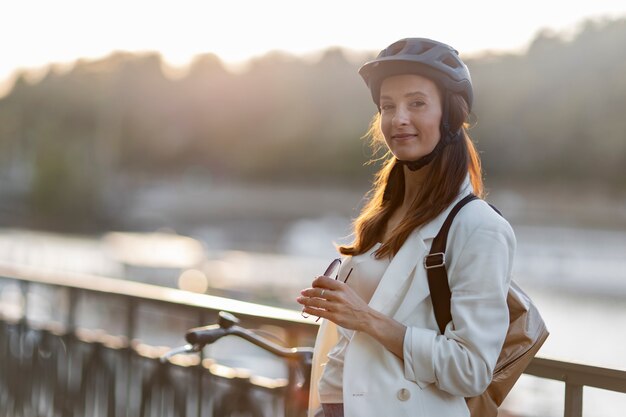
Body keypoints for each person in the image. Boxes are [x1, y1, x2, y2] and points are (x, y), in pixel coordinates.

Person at [296, 37, 516, 417]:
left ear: (449, 116)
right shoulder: (384, 213)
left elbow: (472, 370)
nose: (398, 118)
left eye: (416, 103)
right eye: (388, 106)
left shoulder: (478, 227)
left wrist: (365, 318)